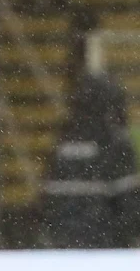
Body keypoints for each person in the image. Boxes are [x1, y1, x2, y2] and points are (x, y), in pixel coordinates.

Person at [43, 74, 139, 248]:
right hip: (104, 245)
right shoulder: (114, 141)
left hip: (64, 243)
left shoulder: (64, 139)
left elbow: (49, 197)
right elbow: (129, 203)